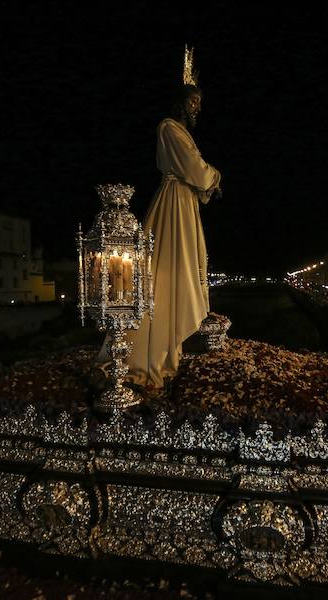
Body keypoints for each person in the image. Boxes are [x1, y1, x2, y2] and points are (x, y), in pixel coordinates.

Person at [122, 47, 222, 388]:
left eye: (199, 103)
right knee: (165, 271)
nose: (197, 108)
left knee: (178, 270)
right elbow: (194, 168)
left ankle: (169, 350)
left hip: (185, 203)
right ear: (180, 102)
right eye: (192, 101)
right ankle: (149, 352)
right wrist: (215, 177)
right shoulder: (169, 128)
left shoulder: (180, 132)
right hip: (174, 203)